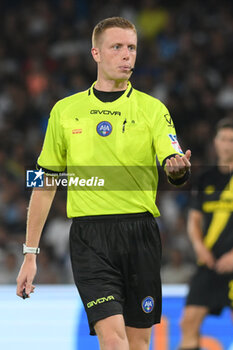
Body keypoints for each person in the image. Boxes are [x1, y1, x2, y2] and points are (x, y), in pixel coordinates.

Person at [16, 17, 191, 350]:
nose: (127, 56)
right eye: (117, 47)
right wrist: (30, 254)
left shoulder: (153, 110)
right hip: (90, 238)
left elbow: (173, 163)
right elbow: (44, 184)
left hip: (140, 234)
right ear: (95, 53)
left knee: (138, 344)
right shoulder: (65, 111)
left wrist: (177, 168)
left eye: (132, 48)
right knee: (112, 341)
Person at [179, 116, 233, 350]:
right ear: (215, 142)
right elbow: (193, 221)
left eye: (232, 140)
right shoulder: (204, 179)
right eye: (223, 139)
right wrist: (200, 248)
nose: (227, 144)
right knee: (188, 323)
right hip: (209, 263)